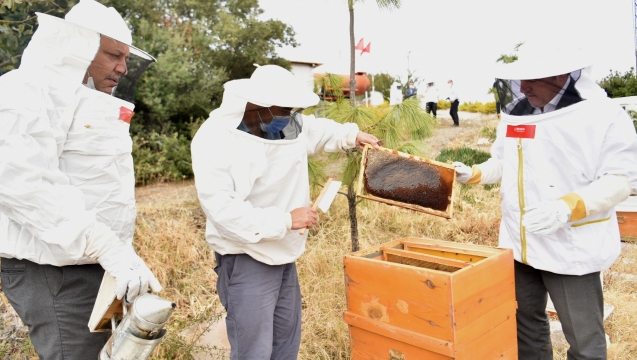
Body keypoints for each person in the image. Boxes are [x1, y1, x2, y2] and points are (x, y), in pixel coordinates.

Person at [453, 41, 637, 360]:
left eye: (533, 79)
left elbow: (625, 178)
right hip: (519, 243)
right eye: (520, 79)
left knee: (585, 344)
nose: (523, 87)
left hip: (570, 247)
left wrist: (567, 207)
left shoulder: (602, 115)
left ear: (561, 77)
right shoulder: (517, 113)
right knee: (527, 328)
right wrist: (474, 173)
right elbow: (503, 162)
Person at [0, 1, 161, 358]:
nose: (122, 67)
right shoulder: (24, 90)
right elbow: (21, 182)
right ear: (77, 46)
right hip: (50, 270)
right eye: (113, 55)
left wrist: (118, 253)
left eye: (125, 59)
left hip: (91, 265)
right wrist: (105, 246)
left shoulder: (80, 98)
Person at [191, 64, 379, 360]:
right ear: (257, 105)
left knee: (285, 343)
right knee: (254, 350)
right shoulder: (215, 138)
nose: (288, 116)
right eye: (282, 109)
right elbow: (222, 210)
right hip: (246, 256)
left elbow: (318, 130)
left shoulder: (287, 125)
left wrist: (352, 136)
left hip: (284, 252)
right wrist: (285, 220)